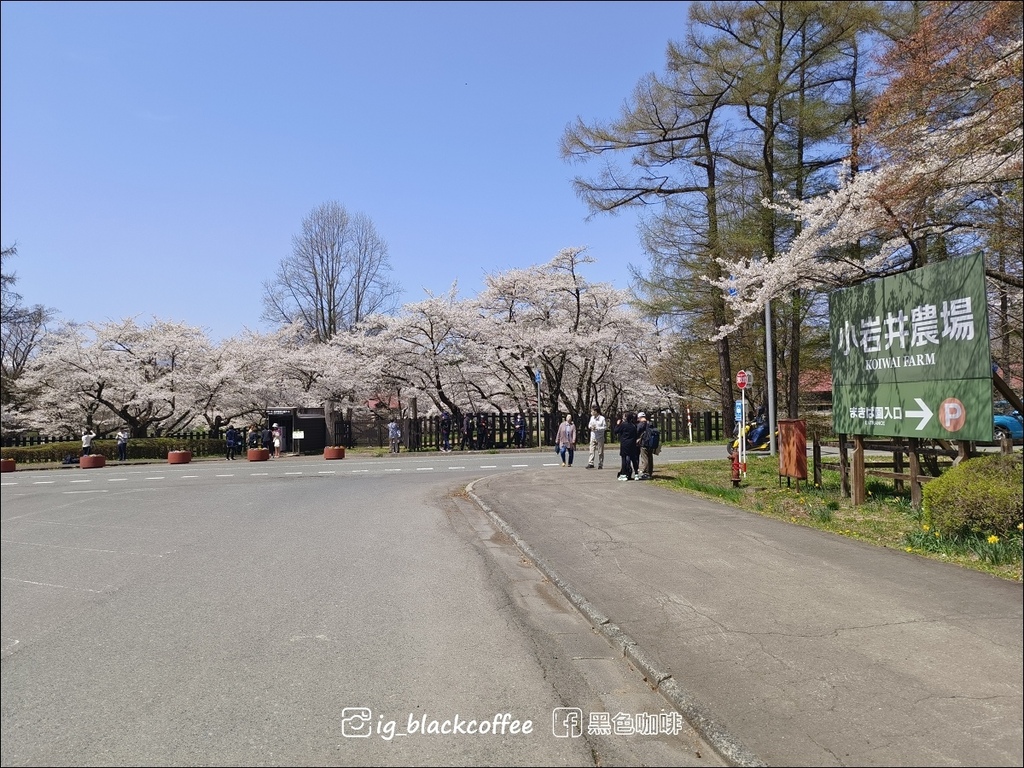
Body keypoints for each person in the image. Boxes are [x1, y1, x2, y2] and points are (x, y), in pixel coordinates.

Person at [614, 412, 639, 480]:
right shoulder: (634, 425)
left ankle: (624, 474)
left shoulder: (623, 425)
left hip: (625, 444)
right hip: (632, 444)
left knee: (624, 459)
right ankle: (636, 474)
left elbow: (616, 431)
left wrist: (618, 424)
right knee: (633, 459)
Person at [636, 412, 653, 480]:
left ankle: (646, 473)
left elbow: (637, 432)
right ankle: (650, 472)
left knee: (645, 458)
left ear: (640, 417)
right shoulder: (650, 423)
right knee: (650, 458)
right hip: (651, 443)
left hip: (644, 443)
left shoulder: (641, 424)